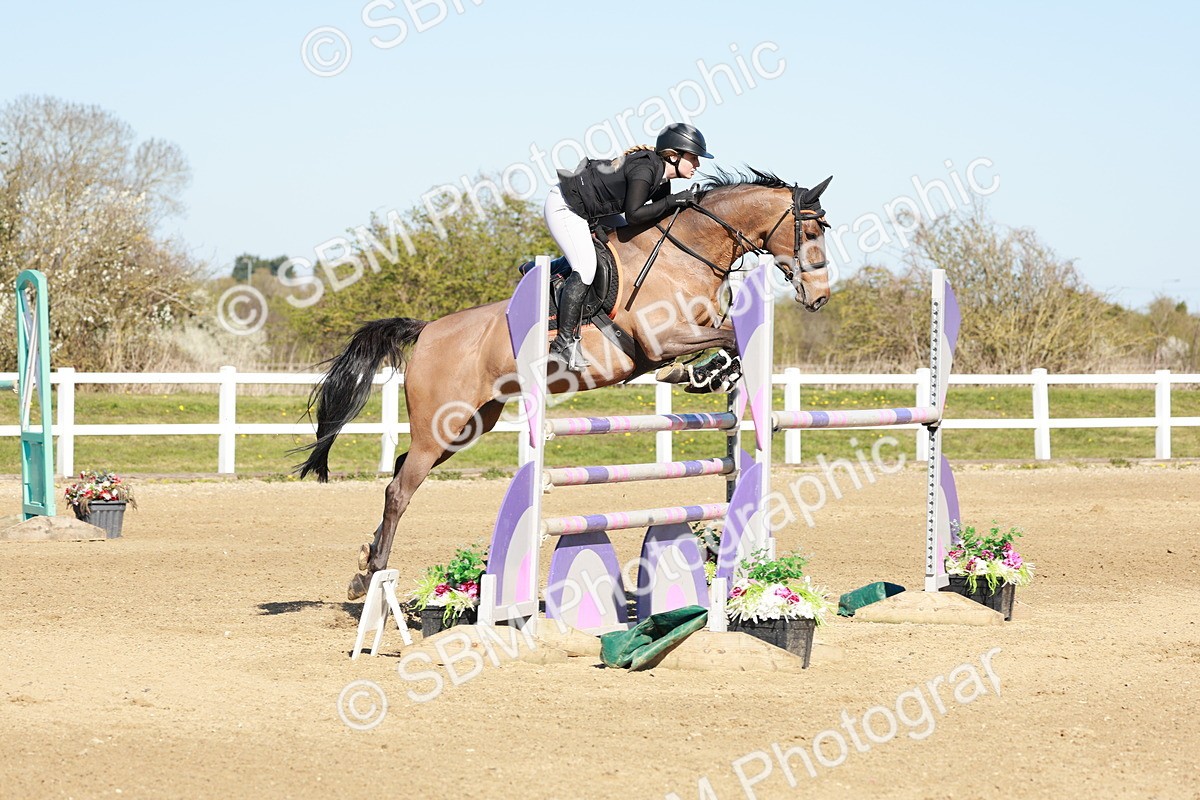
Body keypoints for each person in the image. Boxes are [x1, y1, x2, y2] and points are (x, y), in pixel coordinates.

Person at [543, 122, 714, 369]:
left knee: (629, 244)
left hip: (595, 209)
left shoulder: (661, 178)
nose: (697, 164)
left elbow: (655, 220)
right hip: (567, 206)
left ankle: (557, 270)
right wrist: (674, 200)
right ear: (674, 156)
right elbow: (634, 214)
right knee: (587, 267)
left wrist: (685, 205)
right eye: (694, 158)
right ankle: (563, 343)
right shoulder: (645, 170)